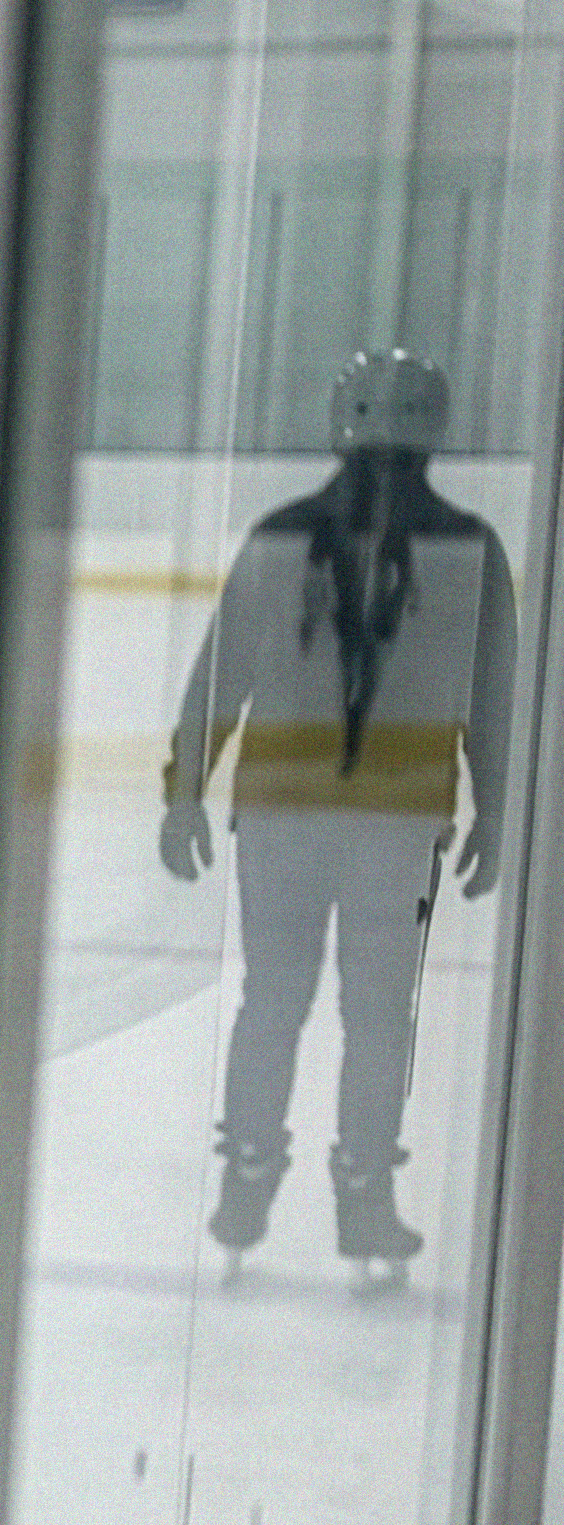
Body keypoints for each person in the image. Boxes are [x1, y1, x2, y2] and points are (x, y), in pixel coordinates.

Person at [165, 346, 517, 1282]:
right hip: (394, 825)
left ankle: (250, 1180)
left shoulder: (283, 534)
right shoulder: (471, 547)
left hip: (289, 813)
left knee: (275, 1002)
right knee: (376, 1016)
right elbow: (493, 703)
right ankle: (361, 1195)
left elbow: (220, 674)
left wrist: (185, 790)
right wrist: (495, 811)